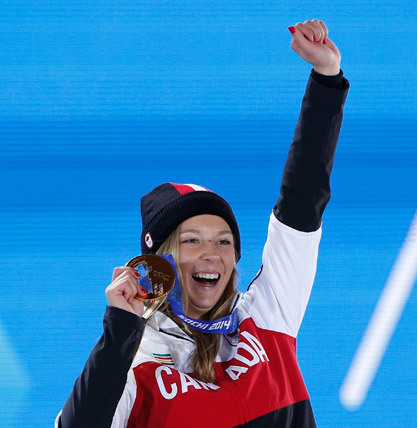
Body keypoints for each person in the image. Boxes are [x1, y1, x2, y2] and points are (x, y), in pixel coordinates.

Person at [57, 19, 348, 428]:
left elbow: (302, 205)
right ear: (158, 259)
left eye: (224, 241)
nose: (212, 254)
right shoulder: (134, 360)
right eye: (191, 240)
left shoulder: (265, 318)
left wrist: (326, 79)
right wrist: (121, 327)